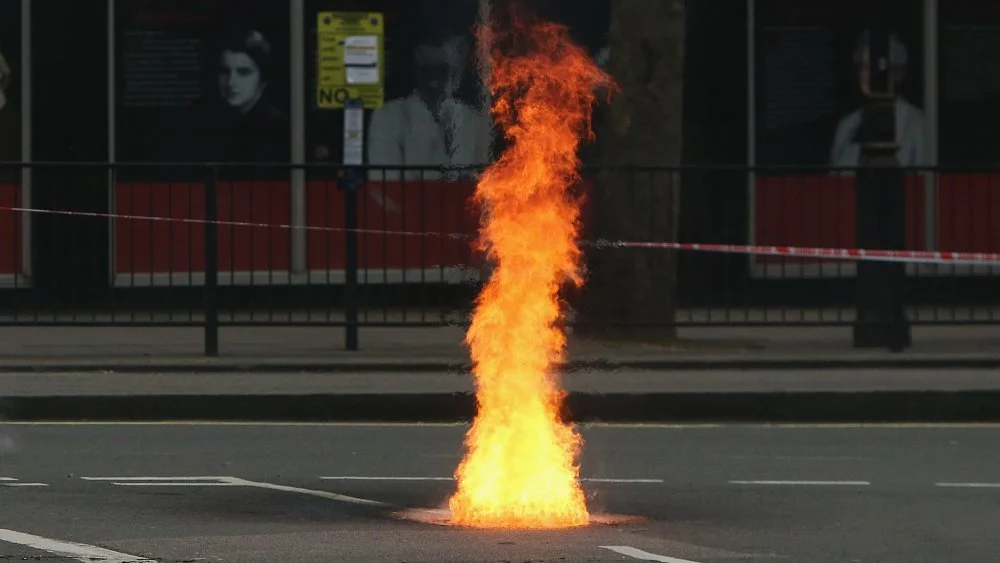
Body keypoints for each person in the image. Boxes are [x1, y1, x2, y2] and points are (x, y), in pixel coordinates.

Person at [366, 34, 492, 182]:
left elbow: (483, 183)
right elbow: (384, 183)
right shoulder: (388, 117)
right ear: (416, 72)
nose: (435, 79)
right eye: (428, 70)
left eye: (442, 70)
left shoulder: (474, 122)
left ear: (456, 73)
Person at [829, 30, 928, 169]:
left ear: (896, 72)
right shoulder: (847, 125)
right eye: (864, 67)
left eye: (876, 68)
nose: (870, 75)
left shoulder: (917, 123)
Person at [210, 29, 288, 163]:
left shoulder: (278, 128)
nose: (230, 82)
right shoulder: (216, 122)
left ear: (263, 79)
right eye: (224, 71)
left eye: (243, 72)